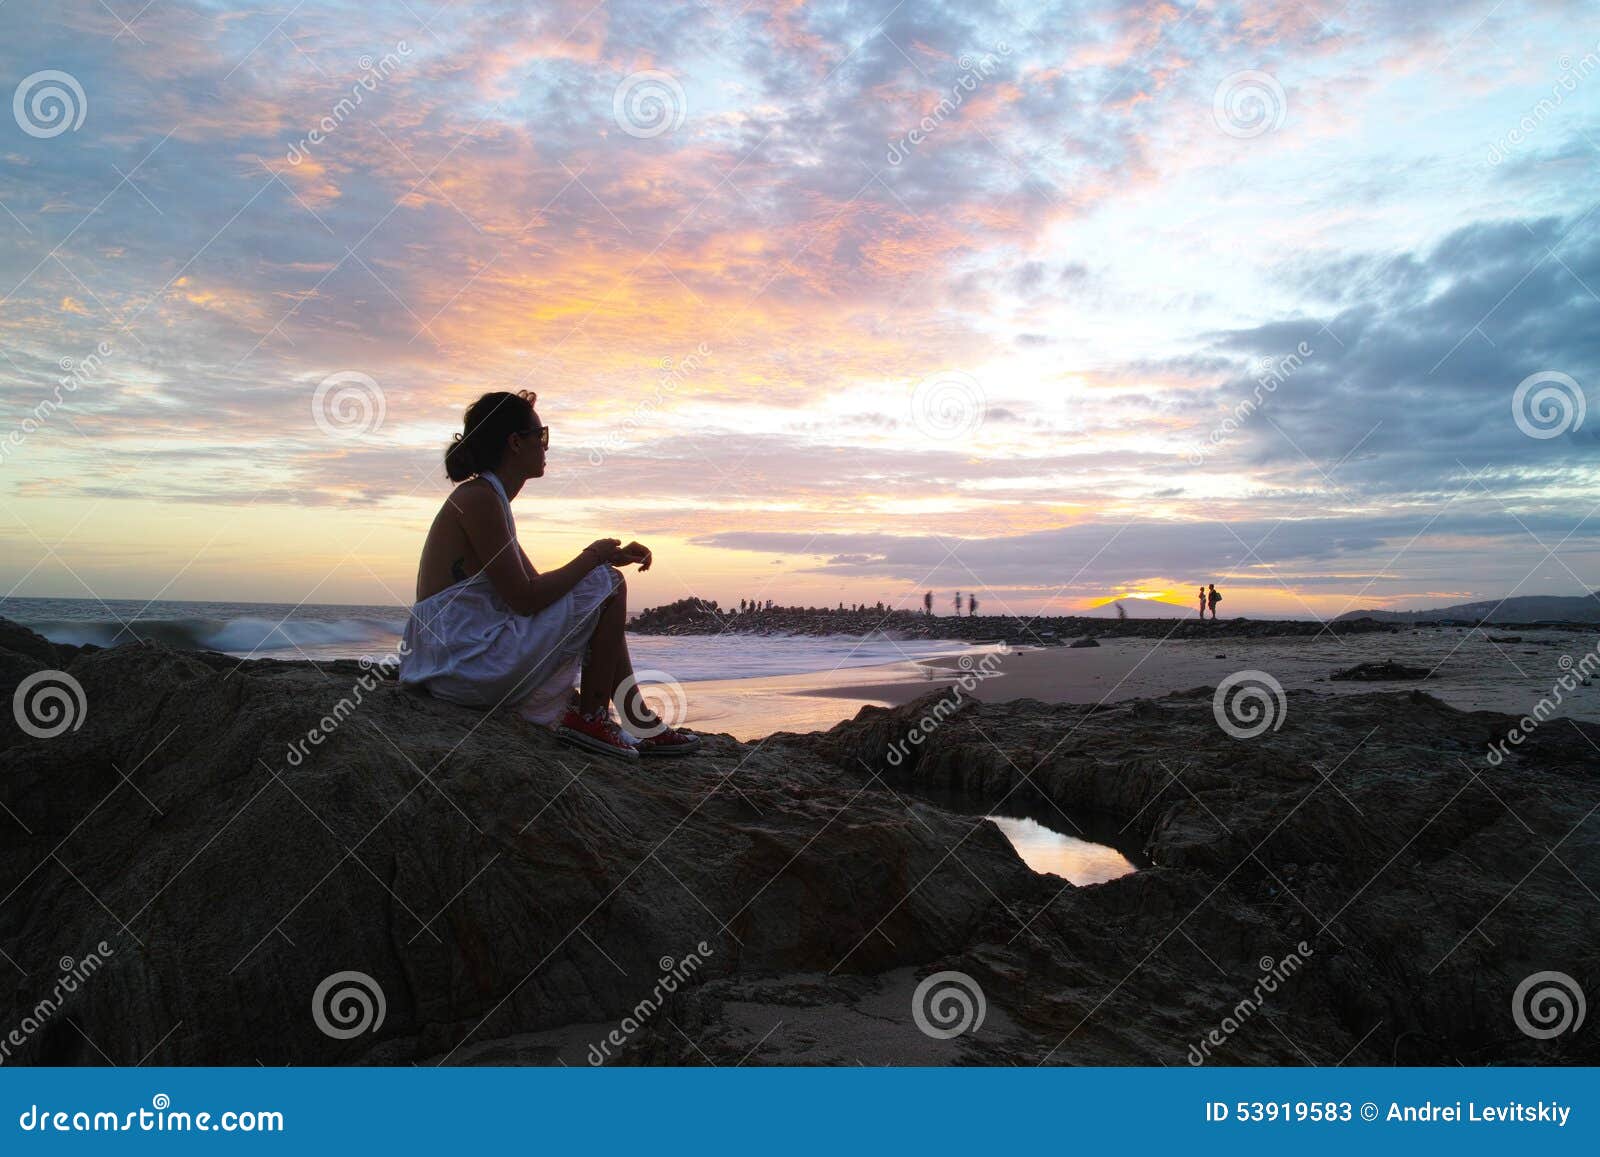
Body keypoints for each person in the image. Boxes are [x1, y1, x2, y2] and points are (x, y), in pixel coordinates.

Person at [397, 390, 700, 761]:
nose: (546, 447)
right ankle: (592, 719)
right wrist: (594, 557)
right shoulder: (479, 500)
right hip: (462, 662)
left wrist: (607, 559)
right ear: (514, 443)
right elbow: (525, 600)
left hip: (457, 656)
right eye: (541, 436)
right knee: (610, 585)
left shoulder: (487, 499)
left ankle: (635, 720)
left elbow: (544, 592)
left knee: (606, 585)